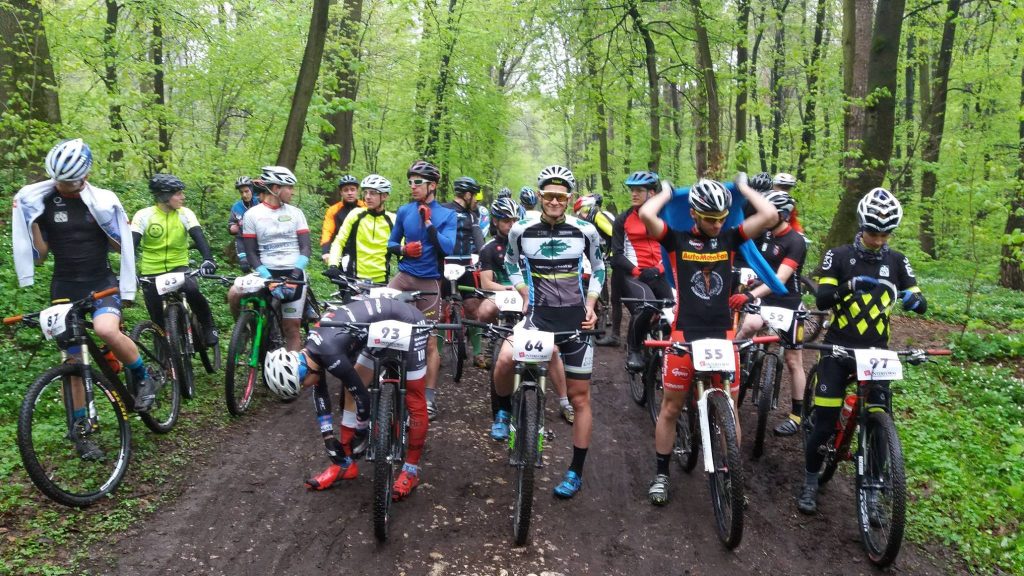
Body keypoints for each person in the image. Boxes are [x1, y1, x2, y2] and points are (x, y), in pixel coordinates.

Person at [639, 174, 778, 506]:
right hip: (685, 333)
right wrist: (667, 192)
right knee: (671, 407)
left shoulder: (730, 237)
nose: (717, 225)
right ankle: (662, 474)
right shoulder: (677, 240)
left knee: (730, 407)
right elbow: (646, 214)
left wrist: (743, 189)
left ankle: (732, 476)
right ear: (693, 214)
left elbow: (770, 215)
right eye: (709, 219)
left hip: (723, 334)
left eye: (721, 218)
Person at [797, 188, 926, 515]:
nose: (878, 240)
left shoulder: (897, 261)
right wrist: (849, 287)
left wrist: (915, 300)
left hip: (876, 352)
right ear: (861, 225)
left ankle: (874, 490)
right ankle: (811, 480)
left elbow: (919, 299)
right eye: (873, 232)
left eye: (885, 234)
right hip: (837, 348)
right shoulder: (838, 256)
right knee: (825, 422)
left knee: (880, 422)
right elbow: (822, 299)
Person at [12, 139, 157, 426]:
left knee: (105, 329)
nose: (63, 187)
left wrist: (119, 226)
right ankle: (81, 426)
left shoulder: (101, 202)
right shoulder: (43, 203)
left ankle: (143, 376)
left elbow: (120, 247)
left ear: (85, 176)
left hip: (101, 282)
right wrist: (30, 221)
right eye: (59, 181)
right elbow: (40, 257)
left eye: (69, 182)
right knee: (73, 362)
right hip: (64, 287)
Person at [492, 165, 604, 499]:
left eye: (561, 197)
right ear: (540, 196)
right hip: (537, 318)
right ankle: (503, 411)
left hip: (576, 323)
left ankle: (575, 472)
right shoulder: (521, 230)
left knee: (580, 399)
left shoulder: (585, 230)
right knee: (505, 360)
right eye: (549, 196)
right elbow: (510, 264)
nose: (555, 202)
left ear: (569, 199)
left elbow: (600, 267)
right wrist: (522, 291)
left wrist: (592, 304)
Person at [262, 298, 432, 499]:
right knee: (352, 384)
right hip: (376, 329)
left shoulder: (329, 354)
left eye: (301, 385)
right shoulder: (310, 354)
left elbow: (363, 399)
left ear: (304, 373)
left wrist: (361, 431)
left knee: (414, 396)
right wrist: (328, 438)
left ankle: (411, 471)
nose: (304, 387)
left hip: (408, 321)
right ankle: (345, 464)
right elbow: (320, 392)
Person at [729, 189, 807, 436]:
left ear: (783, 215)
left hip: (789, 303)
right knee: (747, 328)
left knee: (794, 361)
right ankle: (731, 370)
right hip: (764, 299)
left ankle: (797, 415)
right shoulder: (765, 235)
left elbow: (780, 279)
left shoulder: (795, 241)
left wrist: (750, 295)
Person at [386, 160, 456, 420]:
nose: (412, 186)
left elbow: (448, 247)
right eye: (410, 182)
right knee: (382, 325)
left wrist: (428, 224)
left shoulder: (447, 214)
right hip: (403, 277)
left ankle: (428, 397)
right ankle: (387, 383)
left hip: (430, 282)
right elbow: (391, 242)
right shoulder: (404, 210)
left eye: (418, 182)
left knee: (429, 342)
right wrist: (403, 249)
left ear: (432, 185)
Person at [229, 166, 311, 351]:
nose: (292, 192)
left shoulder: (296, 213)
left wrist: (295, 274)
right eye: (289, 187)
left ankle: (292, 367)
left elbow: (306, 248)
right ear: (275, 188)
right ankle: (244, 331)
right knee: (234, 294)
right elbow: (251, 252)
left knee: (291, 328)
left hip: (293, 272)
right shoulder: (252, 215)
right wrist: (266, 275)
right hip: (265, 272)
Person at [131, 174, 219, 345]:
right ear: (165, 196)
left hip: (178, 266)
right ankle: (165, 352)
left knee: (192, 290)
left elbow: (198, 237)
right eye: (178, 194)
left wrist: (208, 259)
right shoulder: (143, 215)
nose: (183, 197)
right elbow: (131, 246)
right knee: (157, 318)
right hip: (151, 271)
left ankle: (208, 325)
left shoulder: (185, 214)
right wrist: (130, 272)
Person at [611, 171, 674, 372]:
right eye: (632, 190)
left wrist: (659, 269)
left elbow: (673, 248)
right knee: (647, 305)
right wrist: (638, 271)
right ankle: (634, 349)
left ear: (652, 193)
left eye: (639, 190)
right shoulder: (623, 219)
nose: (634, 194)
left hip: (659, 273)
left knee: (674, 311)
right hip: (633, 275)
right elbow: (617, 255)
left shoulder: (665, 217)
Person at [443, 176, 487, 366]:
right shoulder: (443, 210)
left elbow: (479, 240)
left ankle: (477, 353)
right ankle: (438, 354)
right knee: (441, 311)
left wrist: (484, 256)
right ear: (467, 195)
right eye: (475, 196)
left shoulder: (472, 215)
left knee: (472, 308)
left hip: (466, 266)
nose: (476, 200)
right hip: (445, 265)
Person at [326, 174, 395, 284]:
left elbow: (402, 249)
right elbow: (339, 241)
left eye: (372, 193)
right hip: (354, 279)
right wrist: (333, 265)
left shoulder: (393, 219)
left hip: (381, 281)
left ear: (384, 196)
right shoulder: (356, 214)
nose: (367, 197)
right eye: (365, 192)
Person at [320, 175, 364, 264]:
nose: (349, 193)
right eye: (346, 190)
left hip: (363, 252)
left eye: (352, 189)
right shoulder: (333, 210)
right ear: (341, 192)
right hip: (341, 253)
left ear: (357, 191)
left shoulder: (365, 207)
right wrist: (326, 251)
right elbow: (327, 231)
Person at [228, 176, 259, 272]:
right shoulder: (236, 207)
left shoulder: (260, 202)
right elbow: (233, 229)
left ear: (251, 190)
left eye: (246, 191)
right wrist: (231, 228)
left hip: (263, 248)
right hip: (245, 246)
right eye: (241, 192)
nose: (244, 195)